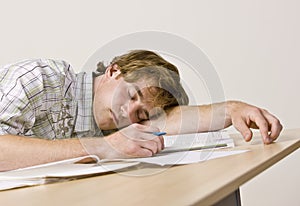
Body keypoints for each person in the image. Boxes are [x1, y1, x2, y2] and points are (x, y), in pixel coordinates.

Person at [0, 50, 282, 171]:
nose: (128, 113)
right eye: (133, 94)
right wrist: (105, 146)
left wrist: (233, 109)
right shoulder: (39, 78)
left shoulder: (119, 126)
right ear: (113, 70)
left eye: (142, 115)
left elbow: (169, 120)